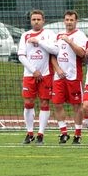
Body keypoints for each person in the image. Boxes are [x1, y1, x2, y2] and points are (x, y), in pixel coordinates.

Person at [18, 9, 58, 145]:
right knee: (28, 103)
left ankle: (41, 134)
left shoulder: (49, 34)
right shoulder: (25, 35)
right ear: (30, 21)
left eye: (38, 19)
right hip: (29, 75)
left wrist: (39, 42)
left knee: (44, 103)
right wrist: (33, 70)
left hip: (46, 74)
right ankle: (30, 133)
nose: (36, 22)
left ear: (43, 21)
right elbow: (21, 56)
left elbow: (55, 50)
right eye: (33, 19)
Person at [50, 10, 87, 144]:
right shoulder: (58, 35)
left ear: (76, 21)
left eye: (72, 20)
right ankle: (63, 133)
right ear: (64, 21)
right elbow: (52, 55)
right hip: (59, 76)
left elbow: (82, 53)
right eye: (67, 20)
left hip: (74, 76)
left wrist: (70, 42)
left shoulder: (80, 35)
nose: (69, 22)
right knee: (57, 104)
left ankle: (77, 134)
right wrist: (58, 69)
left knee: (77, 105)